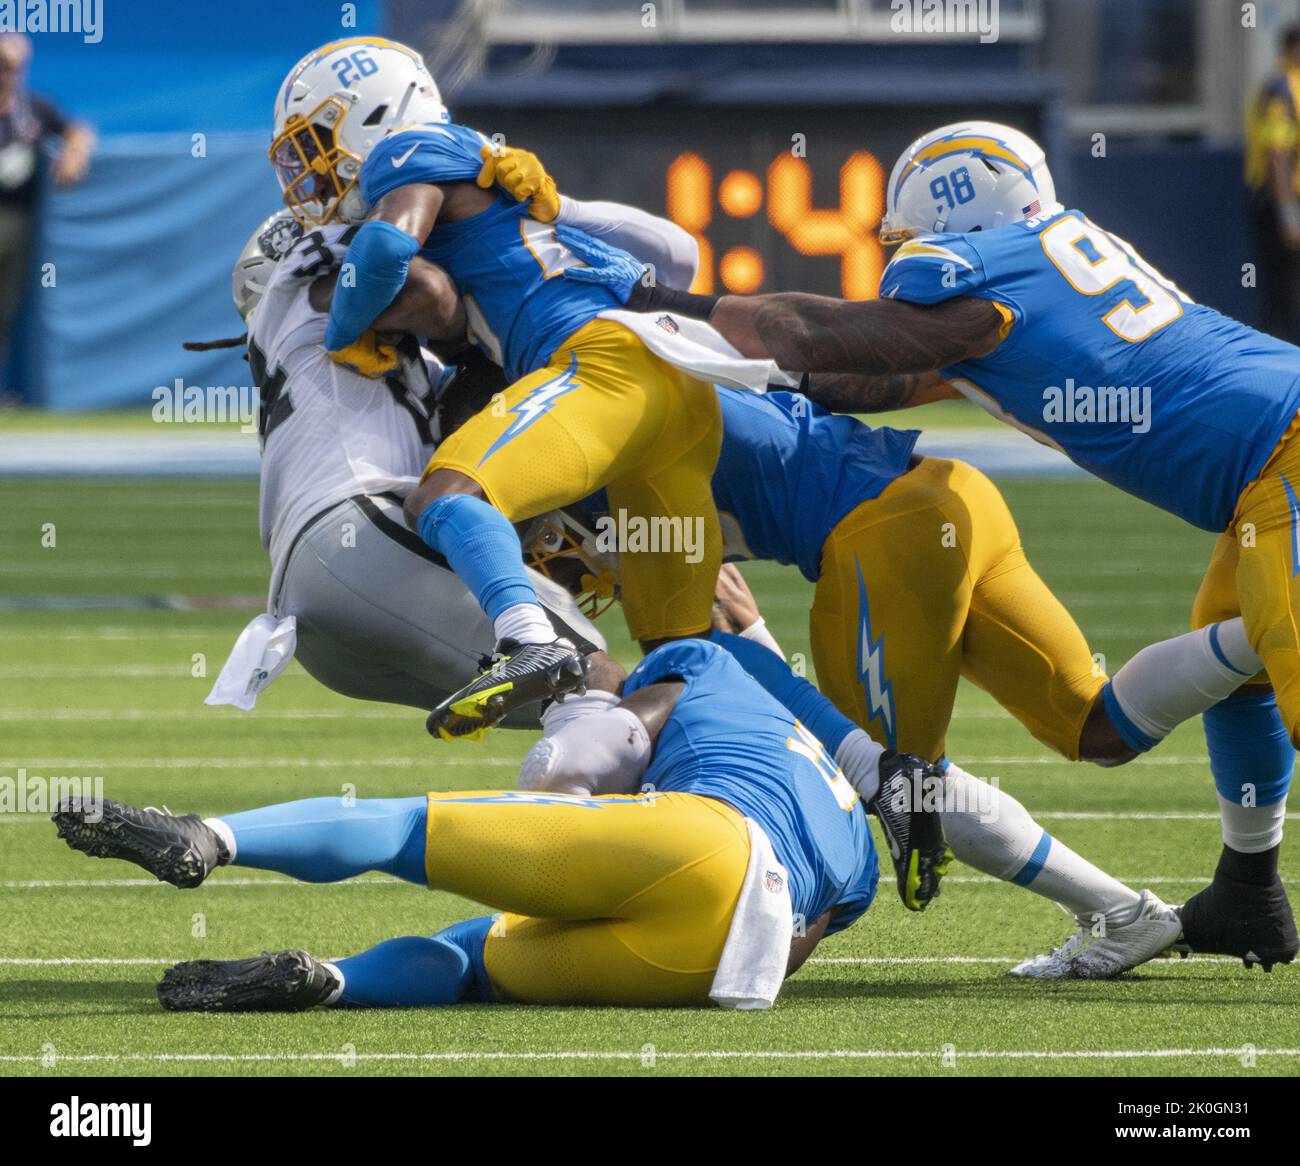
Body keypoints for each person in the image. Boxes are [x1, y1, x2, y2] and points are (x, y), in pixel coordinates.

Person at [616, 120, 1298, 972]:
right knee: (1223, 683)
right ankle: (1248, 891)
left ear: (959, 214)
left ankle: (1185, 888)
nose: (903, 257)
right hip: (1259, 470)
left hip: (1285, 453)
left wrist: (662, 305)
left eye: (912, 237)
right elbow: (866, 374)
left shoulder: (982, 273)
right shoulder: (1040, 271)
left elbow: (821, 336)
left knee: (1287, 681)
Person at [269, 37, 737, 742]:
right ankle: (818, 762)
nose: (307, 171)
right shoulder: (376, 246)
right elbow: (676, 252)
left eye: (317, 143)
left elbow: (408, 282)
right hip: (378, 524)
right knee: (627, 703)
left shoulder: (370, 236)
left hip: (307, 600)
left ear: (379, 120)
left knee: (595, 721)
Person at [53, 639, 880, 1012]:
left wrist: (574, 808)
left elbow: (597, 752)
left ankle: (209, 838)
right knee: (473, 964)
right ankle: (331, 980)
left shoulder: (701, 668)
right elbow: (795, 937)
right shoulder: (854, 837)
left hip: (709, 837)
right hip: (724, 964)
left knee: (406, 831)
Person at [200, 210, 619, 721]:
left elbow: (487, 430)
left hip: (316, 622)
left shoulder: (389, 377)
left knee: (581, 716)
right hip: (361, 539)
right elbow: (430, 291)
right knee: (598, 683)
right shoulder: (299, 295)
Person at [0, 33, 92, 358]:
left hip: (16, 217)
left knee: (7, 301)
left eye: (13, 67)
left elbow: (77, 129)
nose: (7, 74)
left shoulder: (33, 108)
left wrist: (74, 153)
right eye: (2, 66)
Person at [1246, 24, 1300, 343]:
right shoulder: (1280, 89)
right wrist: (1288, 215)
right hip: (1278, 202)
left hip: (1287, 201)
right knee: (1284, 289)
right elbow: (1276, 154)